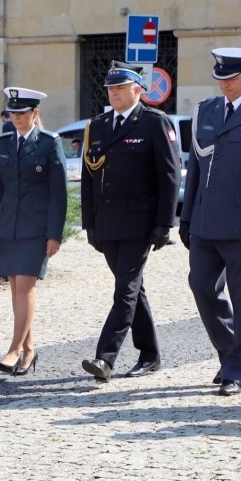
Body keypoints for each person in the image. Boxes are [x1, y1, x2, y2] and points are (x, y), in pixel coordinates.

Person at [178, 48, 241, 396]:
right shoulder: (205, 111)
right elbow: (196, 169)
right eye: (220, 78)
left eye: (232, 78)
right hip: (205, 222)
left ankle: (237, 369)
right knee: (202, 287)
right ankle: (231, 353)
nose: (225, 85)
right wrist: (187, 215)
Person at [80, 62, 180, 383]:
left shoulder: (153, 122)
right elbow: (88, 179)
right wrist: (89, 224)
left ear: (138, 90)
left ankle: (104, 358)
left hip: (140, 224)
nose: (114, 93)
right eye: (110, 89)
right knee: (134, 290)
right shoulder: (96, 126)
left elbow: (169, 177)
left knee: (125, 291)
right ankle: (150, 353)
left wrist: (165, 224)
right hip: (107, 225)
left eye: (121, 88)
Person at [0, 87, 67, 376]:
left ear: (35, 113)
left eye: (22, 113)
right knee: (15, 286)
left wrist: (55, 234)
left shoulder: (48, 143)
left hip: (36, 228)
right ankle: (30, 350)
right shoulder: (3, 143)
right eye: (12, 113)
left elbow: (59, 194)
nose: (16, 118)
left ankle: (14, 349)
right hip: (8, 226)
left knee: (26, 286)